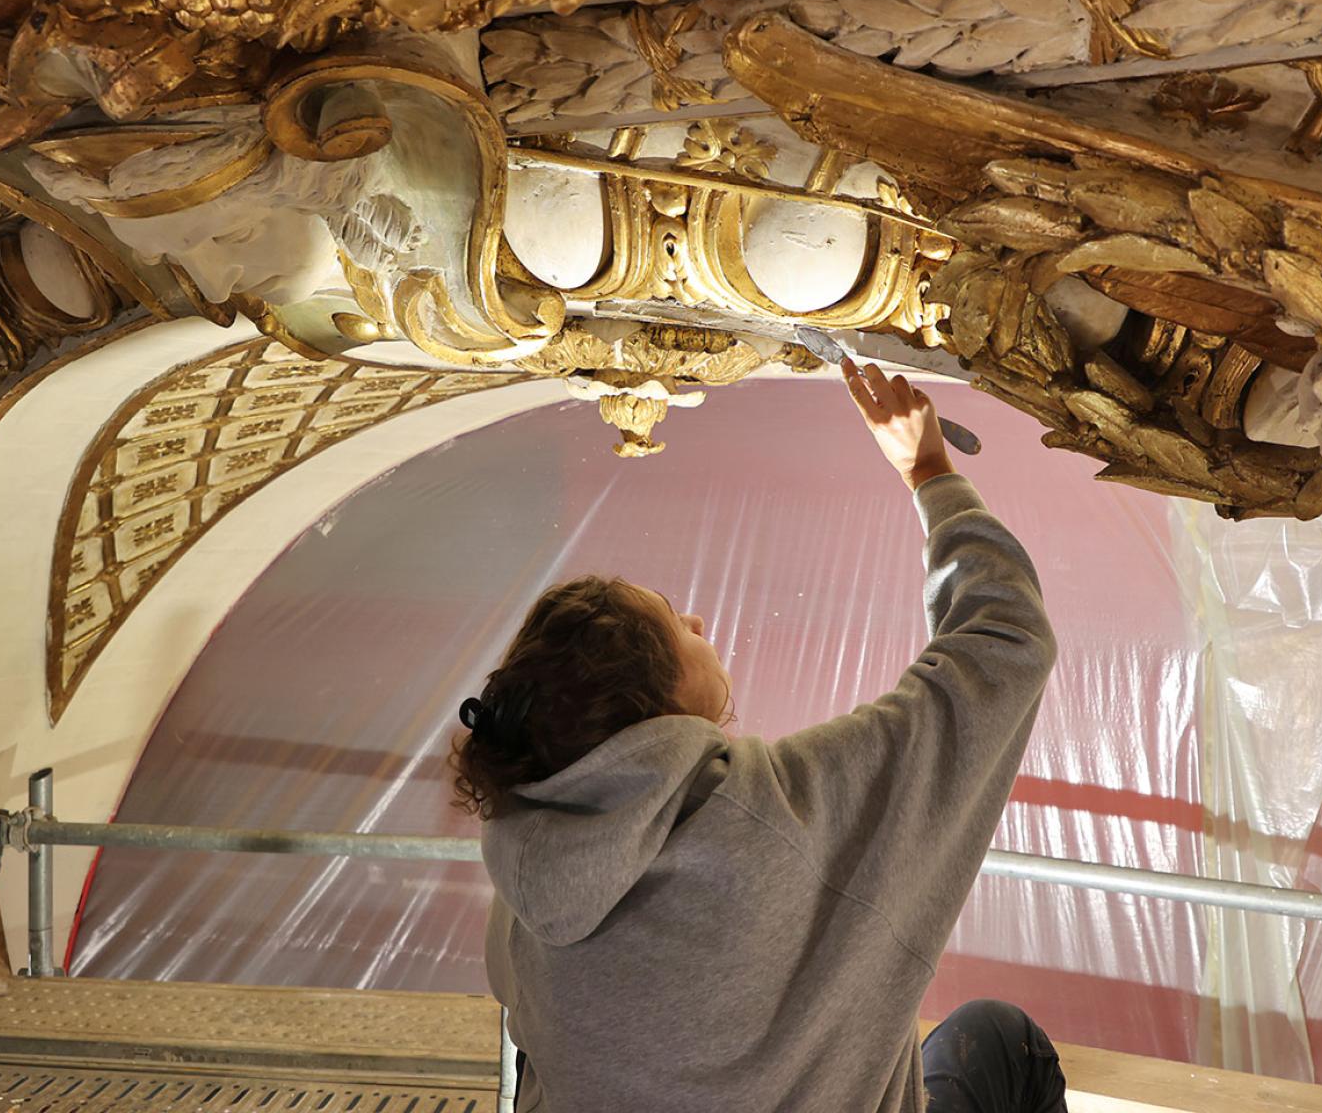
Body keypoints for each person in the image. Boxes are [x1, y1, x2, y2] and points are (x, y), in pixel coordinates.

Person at [454, 358, 1067, 1112]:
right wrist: (930, 471)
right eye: (679, 625)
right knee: (1002, 1039)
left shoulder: (524, 873)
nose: (701, 623)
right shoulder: (790, 820)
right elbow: (1006, 641)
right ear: (654, 706)